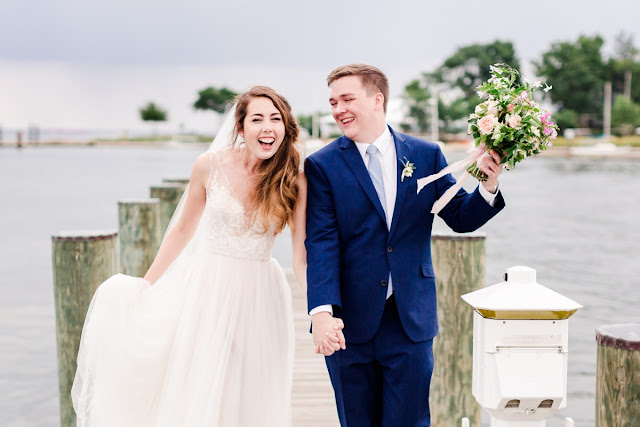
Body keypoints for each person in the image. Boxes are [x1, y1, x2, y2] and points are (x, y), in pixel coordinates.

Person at [72, 86, 342, 426]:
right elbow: (182, 231)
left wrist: (321, 310)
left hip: (260, 295)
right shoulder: (208, 165)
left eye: (276, 119)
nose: (268, 127)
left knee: (248, 392)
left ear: (286, 128)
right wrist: (147, 283)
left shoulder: (294, 179)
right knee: (205, 383)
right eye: (257, 119)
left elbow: (301, 254)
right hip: (207, 287)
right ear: (241, 128)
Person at [304, 64, 506, 426]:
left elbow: (460, 217)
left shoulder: (426, 154)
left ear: (377, 99)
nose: (338, 110)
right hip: (347, 322)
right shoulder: (321, 165)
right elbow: (321, 241)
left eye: (347, 99)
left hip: (409, 317)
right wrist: (321, 312)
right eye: (333, 102)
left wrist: (488, 187)